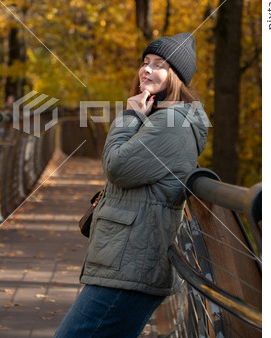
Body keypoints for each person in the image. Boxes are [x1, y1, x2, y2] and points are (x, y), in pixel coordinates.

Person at [54, 33, 208, 338]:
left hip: (134, 264)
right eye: (145, 62)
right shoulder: (160, 117)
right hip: (126, 261)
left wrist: (129, 117)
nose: (146, 69)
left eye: (159, 64)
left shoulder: (172, 124)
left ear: (175, 77)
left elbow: (117, 167)